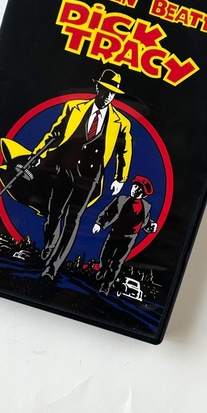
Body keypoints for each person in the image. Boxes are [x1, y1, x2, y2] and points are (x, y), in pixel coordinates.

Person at [28, 69, 132, 280]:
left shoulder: (121, 122)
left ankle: (52, 268)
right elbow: (55, 134)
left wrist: (120, 178)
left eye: (112, 93)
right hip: (64, 170)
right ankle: (49, 245)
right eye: (105, 90)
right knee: (54, 214)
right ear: (98, 88)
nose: (108, 96)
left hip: (89, 178)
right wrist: (37, 154)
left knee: (73, 220)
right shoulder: (73, 107)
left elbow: (124, 151)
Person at [92, 175, 157, 295]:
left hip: (129, 239)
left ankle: (106, 286)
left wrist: (152, 227)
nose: (135, 189)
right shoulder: (121, 200)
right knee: (105, 256)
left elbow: (146, 222)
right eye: (135, 186)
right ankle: (103, 269)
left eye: (139, 189)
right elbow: (109, 212)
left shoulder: (146, 207)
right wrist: (99, 223)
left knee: (117, 263)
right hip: (115, 234)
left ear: (143, 194)